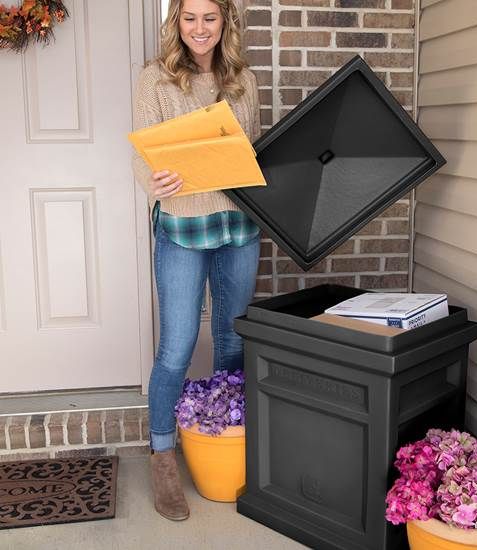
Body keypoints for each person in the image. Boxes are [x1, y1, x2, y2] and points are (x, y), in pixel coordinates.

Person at [131, 0, 261, 521]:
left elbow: (251, 151)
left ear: (225, 22)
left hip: (239, 226)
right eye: (190, 18)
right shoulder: (154, 80)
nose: (200, 28)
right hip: (183, 225)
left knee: (233, 338)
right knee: (178, 344)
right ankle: (163, 454)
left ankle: (224, 443)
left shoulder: (244, 79)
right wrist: (155, 182)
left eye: (210, 18)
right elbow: (145, 161)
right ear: (176, 22)